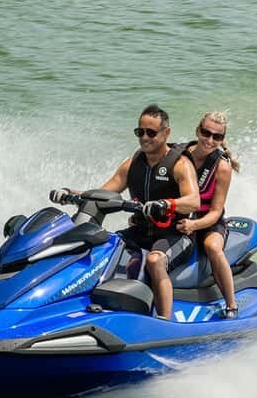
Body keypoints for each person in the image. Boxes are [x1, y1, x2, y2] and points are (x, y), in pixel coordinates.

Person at [50, 104, 200, 320]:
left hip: (174, 234)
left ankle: (164, 321)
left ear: (166, 133)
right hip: (141, 231)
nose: (144, 138)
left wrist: (166, 204)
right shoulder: (132, 165)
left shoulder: (180, 164)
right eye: (140, 132)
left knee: (155, 261)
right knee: (104, 247)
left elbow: (193, 201)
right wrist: (70, 194)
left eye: (151, 133)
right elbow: (102, 194)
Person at [176, 111, 241, 318]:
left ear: (222, 139)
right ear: (198, 130)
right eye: (206, 133)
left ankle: (231, 305)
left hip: (208, 222)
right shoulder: (179, 155)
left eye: (217, 136)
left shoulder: (222, 167)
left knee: (212, 247)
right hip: (179, 217)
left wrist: (194, 226)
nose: (210, 140)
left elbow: (216, 212)